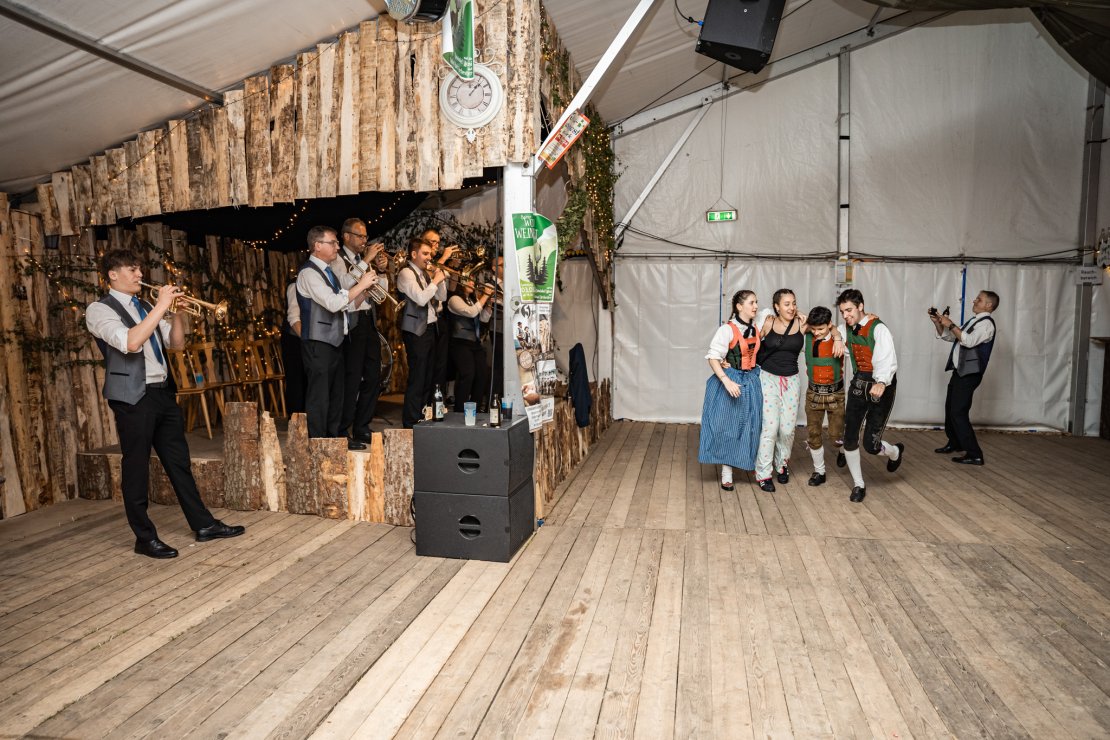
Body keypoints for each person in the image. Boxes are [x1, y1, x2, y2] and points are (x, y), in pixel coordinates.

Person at [86, 249, 245, 558]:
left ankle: (204, 525)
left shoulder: (146, 306)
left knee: (178, 462)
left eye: (139, 269)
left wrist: (177, 314)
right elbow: (131, 342)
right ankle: (144, 538)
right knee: (137, 466)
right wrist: (161, 306)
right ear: (112, 275)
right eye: (132, 270)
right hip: (133, 397)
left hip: (162, 392)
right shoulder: (99, 309)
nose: (139, 275)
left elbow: (176, 344)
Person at [296, 226, 381, 445]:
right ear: (317, 246)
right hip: (318, 343)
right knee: (320, 397)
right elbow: (333, 303)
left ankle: (334, 441)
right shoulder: (308, 273)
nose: (336, 246)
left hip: (335, 342)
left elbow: (345, 306)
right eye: (332, 242)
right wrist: (361, 284)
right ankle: (318, 443)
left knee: (336, 396)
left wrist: (363, 293)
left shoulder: (328, 272)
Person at [837, 289, 904, 502]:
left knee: (871, 445)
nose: (846, 315)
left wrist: (881, 382)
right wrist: (837, 338)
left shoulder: (879, 328)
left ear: (861, 306)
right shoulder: (844, 328)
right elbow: (826, 329)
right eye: (842, 312)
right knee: (849, 437)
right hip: (859, 382)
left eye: (849, 310)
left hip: (881, 384)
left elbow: (887, 359)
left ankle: (894, 452)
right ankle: (859, 484)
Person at [698, 290, 763, 491]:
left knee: (752, 424)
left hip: (751, 380)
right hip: (732, 380)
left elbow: (781, 315)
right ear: (739, 306)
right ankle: (727, 473)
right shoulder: (727, 329)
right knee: (729, 425)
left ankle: (755, 466)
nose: (756, 306)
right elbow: (713, 357)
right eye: (751, 302)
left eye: (756, 302)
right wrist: (726, 380)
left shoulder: (758, 324)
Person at [333, 218, 389, 444]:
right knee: (352, 377)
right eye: (360, 236)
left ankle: (362, 426)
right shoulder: (338, 259)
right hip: (352, 323)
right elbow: (343, 286)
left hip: (368, 320)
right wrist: (367, 260)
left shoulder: (362, 260)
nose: (364, 240)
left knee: (374, 376)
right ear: (346, 236)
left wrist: (381, 271)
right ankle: (342, 428)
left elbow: (381, 293)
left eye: (366, 236)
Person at [930, 290, 998, 465]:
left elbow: (968, 341)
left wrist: (951, 323)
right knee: (950, 409)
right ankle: (955, 443)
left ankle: (975, 454)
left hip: (969, 374)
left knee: (958, 412)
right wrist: (939, 323)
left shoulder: (986, 324)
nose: (974, 301)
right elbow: (951, 336)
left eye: (979, 299)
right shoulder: (974, 321)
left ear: (988, 305)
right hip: (960, 372)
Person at [753, 289, 808, 493]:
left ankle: (782, 463)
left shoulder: (802, 323)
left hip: (792, 381)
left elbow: (827, 325)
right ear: (776, 307)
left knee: (787, 429)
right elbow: (751, 346)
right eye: (786, 304)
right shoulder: (768, 322)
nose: (791, 307)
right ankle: (763, 473)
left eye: (793, 303)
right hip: (768, 379)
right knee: (770, 427)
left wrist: (837, 337)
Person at [396, 236, 449, 428]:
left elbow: (442, 296)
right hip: (416, 331)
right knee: (418, 377)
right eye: (425, 253)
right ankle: (410, 421)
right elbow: (420, 298)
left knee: (429, 376)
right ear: (413, 254)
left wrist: (439, 280)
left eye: (429, 254)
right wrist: (435, 280)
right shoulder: (406, 273)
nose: (429, 257)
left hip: (430, 329)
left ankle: (423, 416)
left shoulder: (425, 274)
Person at [801, 306, 847, 486]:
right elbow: (792, 317)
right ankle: (819, 472)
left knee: (836, 438)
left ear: (829, 324)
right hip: (813, 394)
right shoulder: (807, 336)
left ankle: (843, 449)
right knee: (813, 434)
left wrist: (837, 337)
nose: (816, 333)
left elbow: (842, 330)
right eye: (813, 329)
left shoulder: (841, 336)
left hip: (836, 394)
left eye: (820, 329)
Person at [447, 279, 494, 411]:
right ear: (460, 283)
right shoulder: (454, 299)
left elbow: (483, 318)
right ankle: (460, 409)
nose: (472, 283)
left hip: (475, 343)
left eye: (473, 282)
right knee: (467, 374)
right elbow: (471, 312)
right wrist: (485, 295)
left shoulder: (473, 300)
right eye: (468, 281)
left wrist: (489, 304)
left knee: (482, 375)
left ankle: (475, 408)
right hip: (460, 342)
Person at [280, 277, 306, 415]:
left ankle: (306, 416)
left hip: (305, 338)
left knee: (306, 380)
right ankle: (294, 418)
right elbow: (293, 316)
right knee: (295, 380)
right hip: (293, 339)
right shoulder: (294, 286)